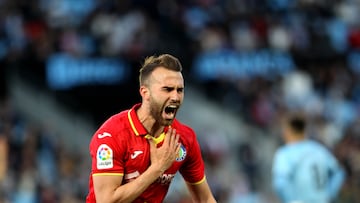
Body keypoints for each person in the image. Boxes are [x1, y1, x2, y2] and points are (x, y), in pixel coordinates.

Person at [86, 54, 217, 203]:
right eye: (167, 89)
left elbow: (205, 199)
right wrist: (157, 169)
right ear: (145, 92)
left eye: (180, 90)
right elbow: (106, 201)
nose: (175, 96)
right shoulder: (112, 135)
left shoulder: (184, 138)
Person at [272, 113, 345, 203]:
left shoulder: (285, 153)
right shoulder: (320, 150)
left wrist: (292, 200)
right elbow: (339, 173)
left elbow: (281, 183)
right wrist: (329, 194)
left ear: (288, 131)